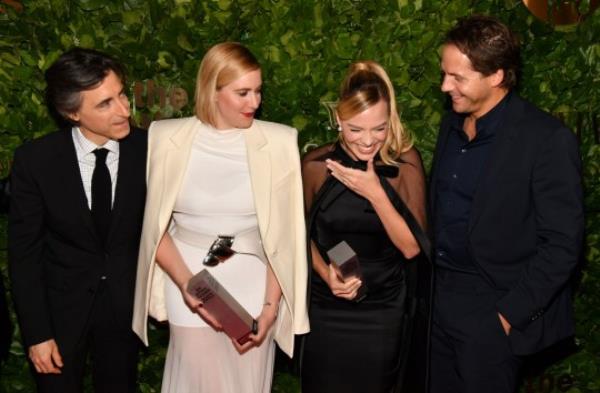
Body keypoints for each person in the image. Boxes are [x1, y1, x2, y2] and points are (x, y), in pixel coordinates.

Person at [131, 42, 309, 393]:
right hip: (190, 280)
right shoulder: (166, 138)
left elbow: (284, 237)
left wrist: (272, 306)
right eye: (242, 93)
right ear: (212, 91)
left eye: (258, 91)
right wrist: (188, 285)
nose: (254, 103)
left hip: (254, 284)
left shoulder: (279, 142)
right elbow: (155, 228)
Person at [429, 15, 584, 393]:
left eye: (458, 78)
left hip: (492, 307)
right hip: (436, 301)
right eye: (445, 73)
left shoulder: (546, 139)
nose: (445, 85)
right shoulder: (452, 123)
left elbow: (563, 244)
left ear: (496, 76)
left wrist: (508, 315)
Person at [8, 48, 147, 392]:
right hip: (59, 313)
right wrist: (37, 334)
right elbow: (24, 256)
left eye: (121, 94)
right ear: (72, 112)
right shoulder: (35, 161)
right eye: (105, 104)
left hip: (124, 310)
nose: (124, 109)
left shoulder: (151, 149)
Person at [300, 61, 430, 393]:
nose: (368, 141)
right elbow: (297, 235)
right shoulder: (315, 166)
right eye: (355, 129)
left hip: (383, 309)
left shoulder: (405, 165)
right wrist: (324, 272)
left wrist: (374, 192)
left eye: (380, 128)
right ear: (339, 119)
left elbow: (412, 247)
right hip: (327, 306)